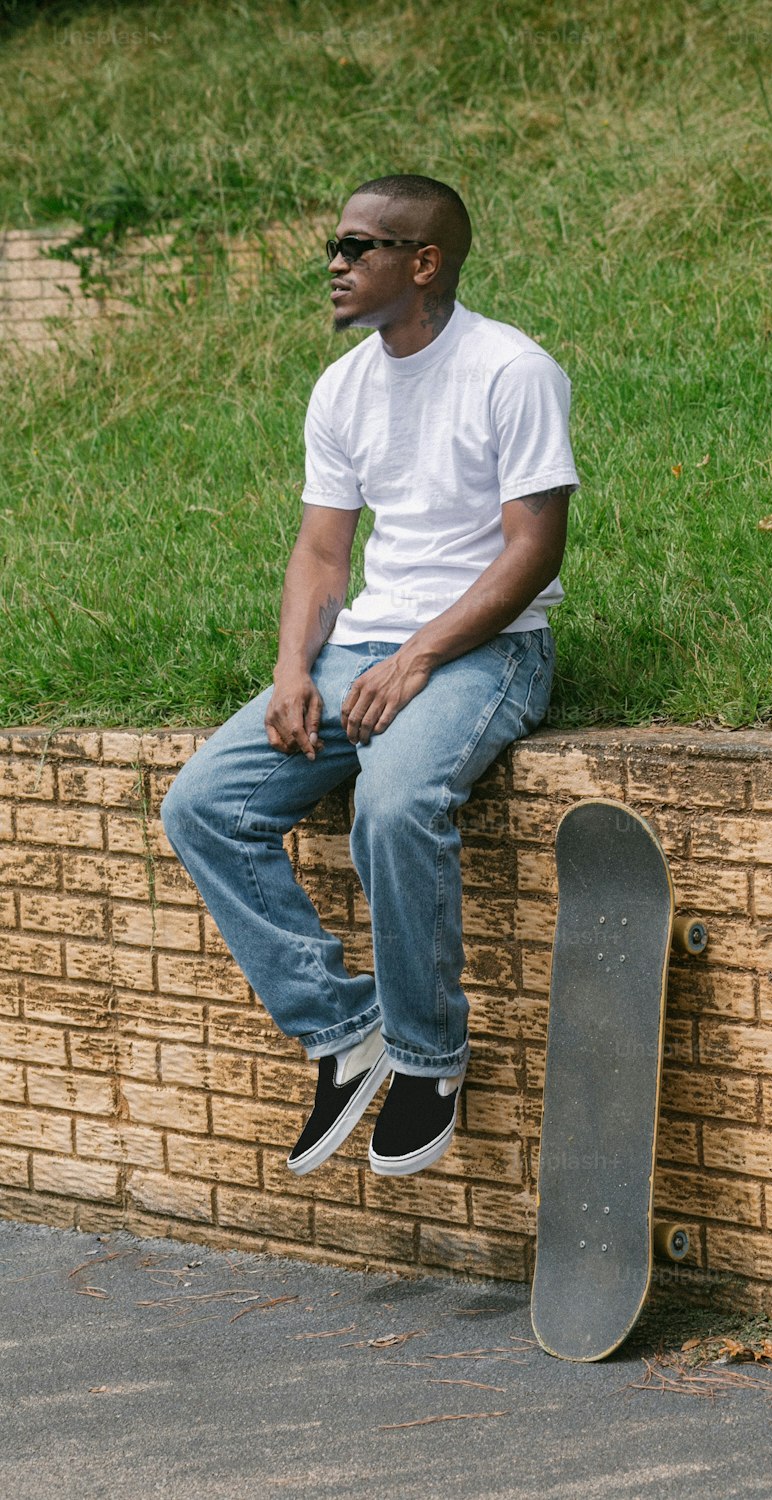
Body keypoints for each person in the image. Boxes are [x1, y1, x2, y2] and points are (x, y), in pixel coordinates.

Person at [161, 173, 578, 1180]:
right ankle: (346, 1027)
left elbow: (535, 550)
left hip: (488, 647)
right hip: (362, 652)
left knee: (393, 807)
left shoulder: (509, 370)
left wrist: (420, 655)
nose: (335, 268)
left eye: (358, 249)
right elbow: (319, 554)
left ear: (422, 263)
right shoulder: (342, 385)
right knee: (204, 804)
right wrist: (293, 668)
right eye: (335, 251)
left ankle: (429, 1054)